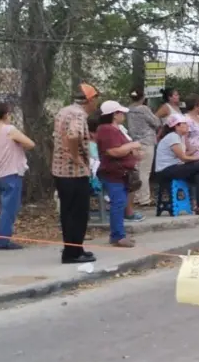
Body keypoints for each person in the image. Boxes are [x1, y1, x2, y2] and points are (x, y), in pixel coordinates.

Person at [53, 83, 98, 264]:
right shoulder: (79, 114)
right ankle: (73, 253)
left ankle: (74, 249)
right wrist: (75, 157)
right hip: (74, 172)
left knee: (68, 212)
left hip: (60, 170)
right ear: (89, 99)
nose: (96, 103)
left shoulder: (65, 111)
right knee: (79, 213)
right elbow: (73, 136)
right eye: (96, 98)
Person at [0, 102, 34, 250]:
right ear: (4, 115)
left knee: (6, 206)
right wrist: (18, 145)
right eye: (9, 114)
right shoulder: (9, 130)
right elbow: (30, 144)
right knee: (10, 208)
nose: (10, 117)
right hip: (11, 173)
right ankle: (3, 240)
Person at [154, 114, 199, 216]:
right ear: (176, 126)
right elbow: (183, 158)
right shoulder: (173, 136)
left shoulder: (177, 137)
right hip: (165, 171)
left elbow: (181, 156)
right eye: (185, 124)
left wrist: (196, 151)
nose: (188, 126)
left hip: (173, 168)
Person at [96, 101, 143, 248]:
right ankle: (118, 236)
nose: (123, 115)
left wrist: (133, 152)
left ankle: (118, 234)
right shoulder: (106, 130)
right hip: (113, 173)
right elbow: (113, 151)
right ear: (114, 115)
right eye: (120, 113)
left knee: (120, 202)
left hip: (122, 172)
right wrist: (132, 146)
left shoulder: (117, 129)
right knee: (118, 203)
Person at [124, 87, 160, 206]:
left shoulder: (129, 109)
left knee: (138, 170)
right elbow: (156, 122)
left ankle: (136, 197)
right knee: (145, 171)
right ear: (143, 97)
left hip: (134, 141)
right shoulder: (144, 109)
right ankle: (144, 199)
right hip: (147, 140)